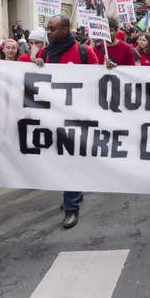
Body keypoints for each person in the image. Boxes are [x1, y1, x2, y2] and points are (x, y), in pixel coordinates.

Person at [37, 14, 99, 228]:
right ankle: (75, 191)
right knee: (60, 160)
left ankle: (71, 208)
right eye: (47, 28)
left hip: (77, 116)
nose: (48, 32)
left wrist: (108, 67)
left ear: (65, 30)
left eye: (52, 28)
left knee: (70, 159)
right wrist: (35, 64)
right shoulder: (45, 53)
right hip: (52, 116)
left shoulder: (84, 51)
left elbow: (97, 79)